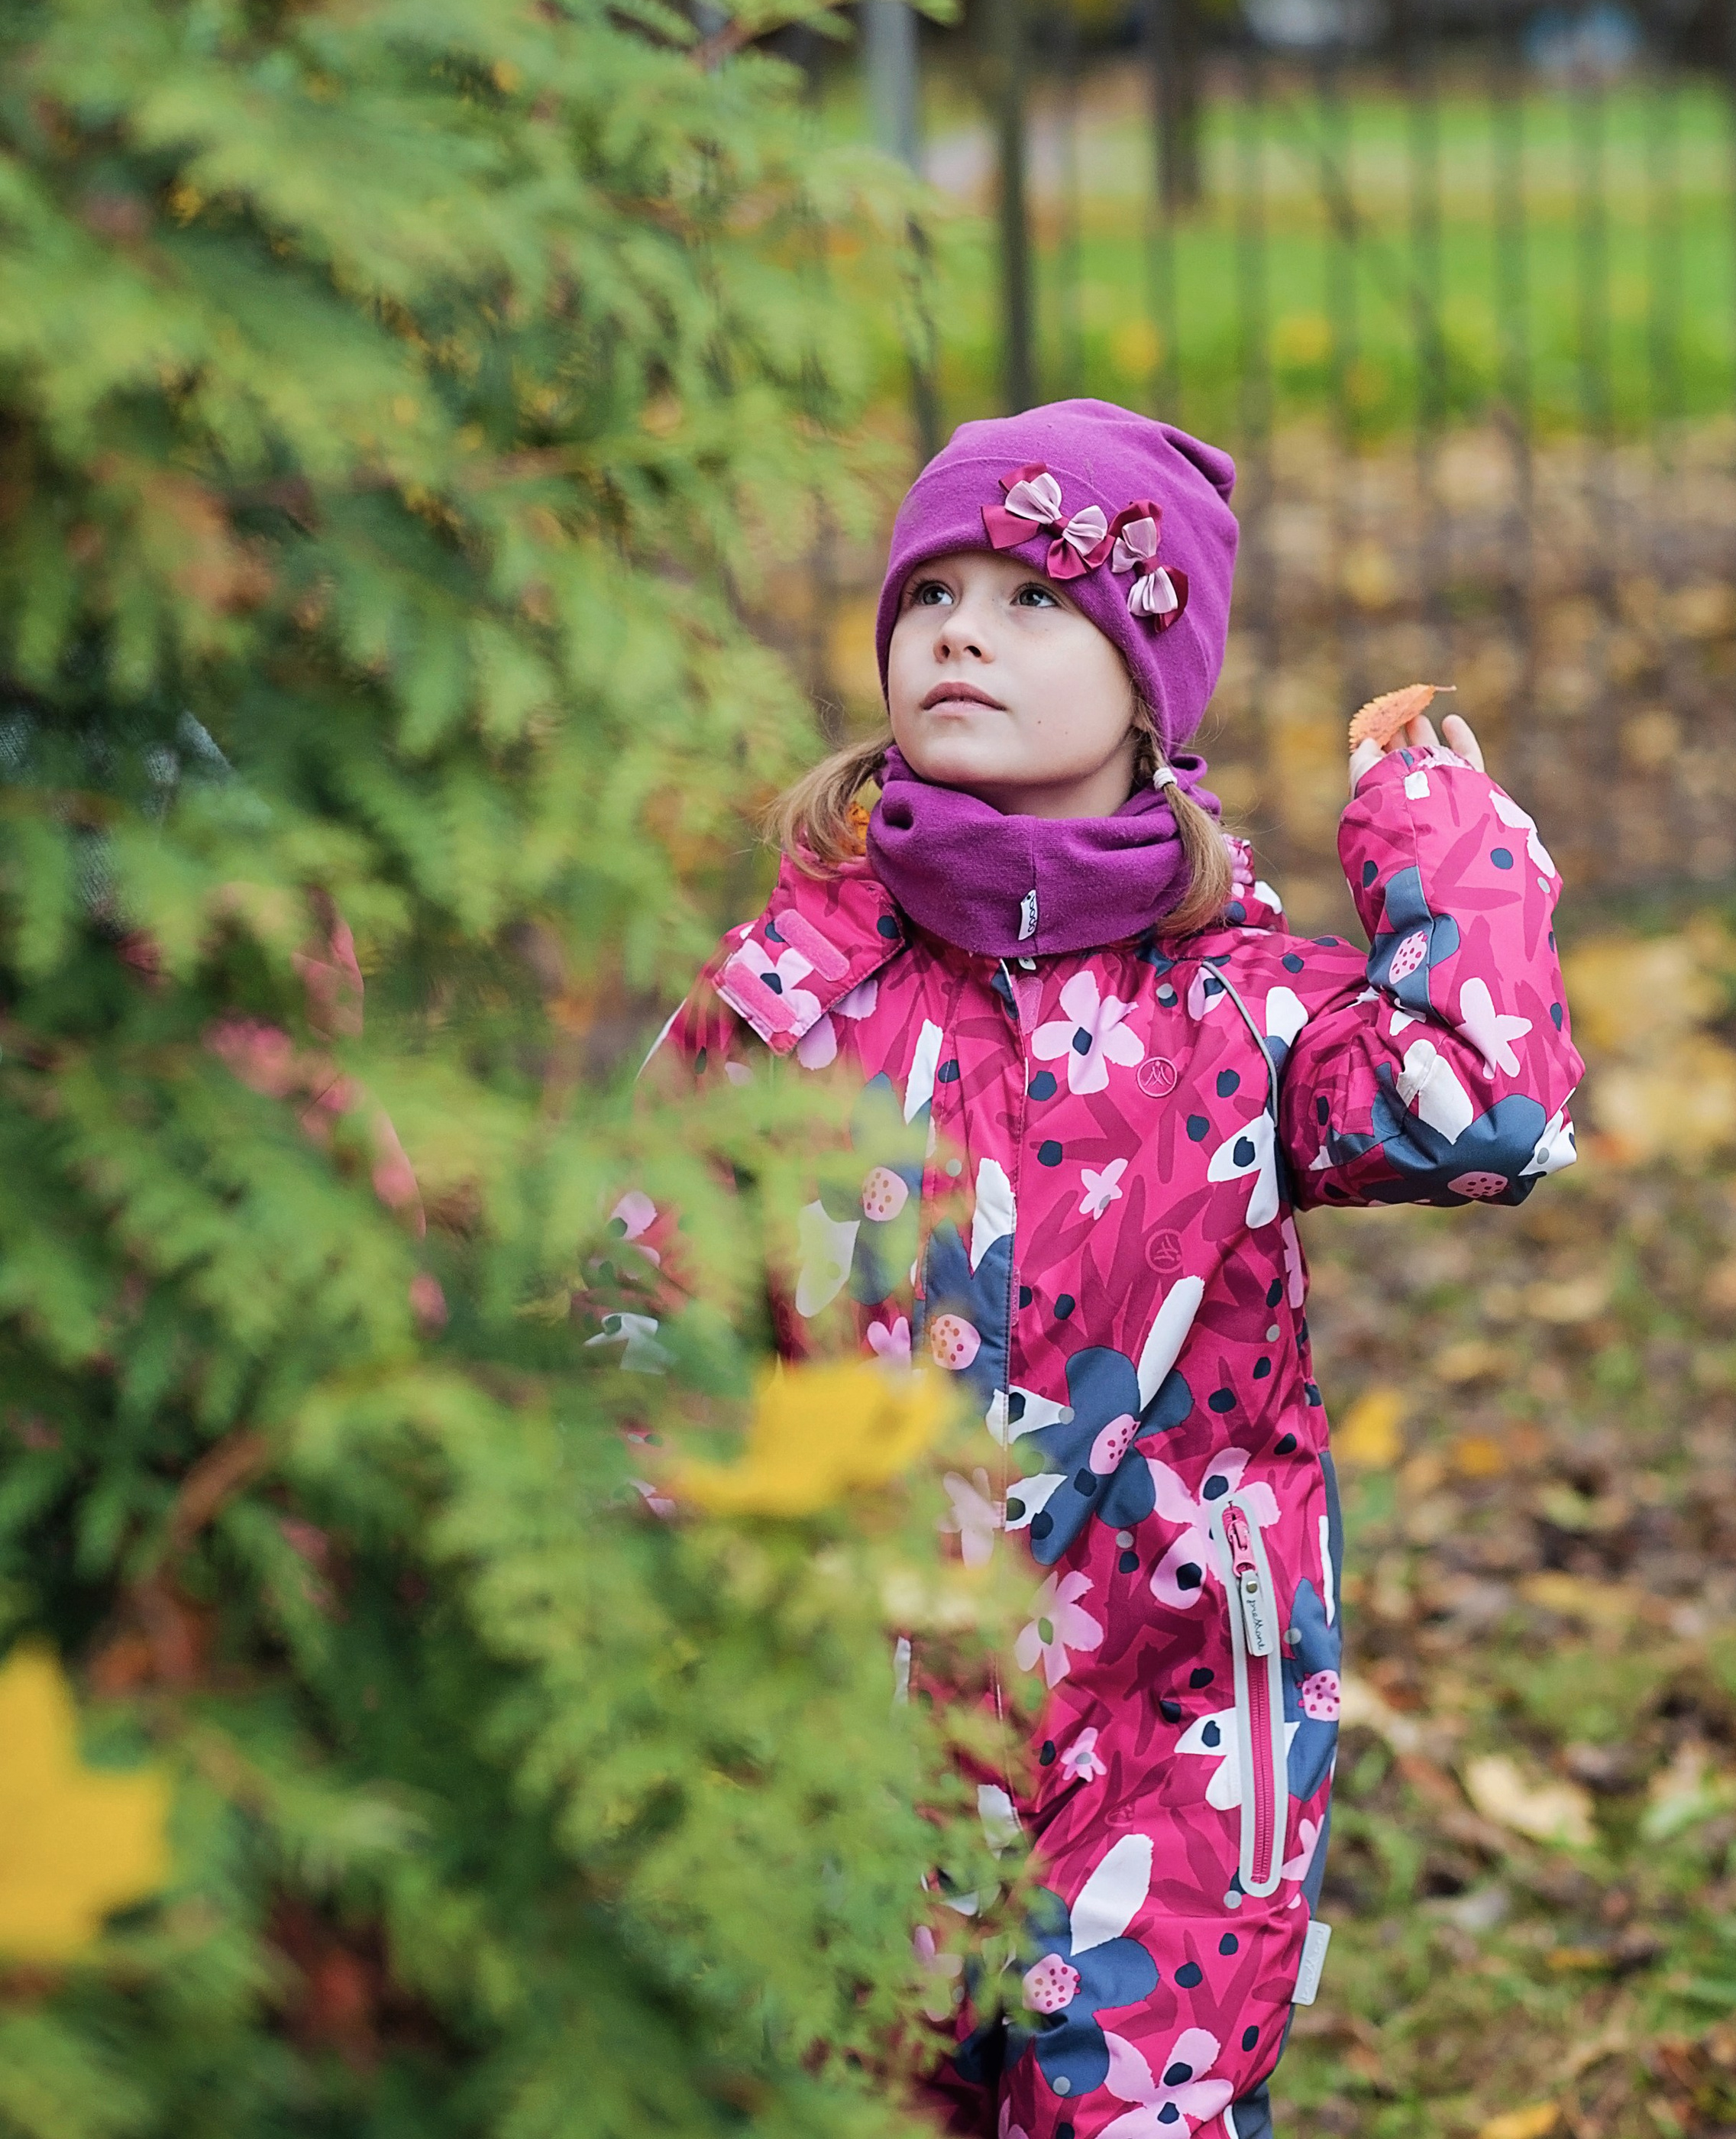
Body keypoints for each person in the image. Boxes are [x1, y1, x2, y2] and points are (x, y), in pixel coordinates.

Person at [650, 398, 1580, 2139]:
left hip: (1174, 1718)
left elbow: (1489, 1110)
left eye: (1029, 600)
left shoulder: (1242, 1003)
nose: (959, 633)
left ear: (1148, 685)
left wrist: (1432, 824)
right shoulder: (796, 989)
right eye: (932, 593)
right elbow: (640, 1286)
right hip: (853, 1700)